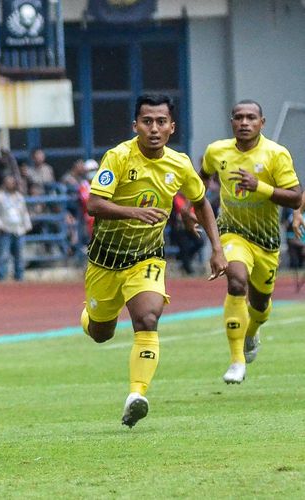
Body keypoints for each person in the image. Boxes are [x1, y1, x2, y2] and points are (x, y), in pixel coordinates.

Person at [81, 94, 227, 428]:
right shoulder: (118, 157)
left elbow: (201, 202)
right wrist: (135, 212)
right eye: (147, 121)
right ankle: (89, 318)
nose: (154, 128)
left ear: (172, 127)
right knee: (101, 333)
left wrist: (217, 250)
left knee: (147, 318)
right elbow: (94, 205)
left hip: (146, 257)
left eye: (161, 122)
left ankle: (136, 395)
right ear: (136, 126)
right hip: (105, 261)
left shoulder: (180, 164)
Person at [200, 100, 303, 384]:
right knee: (235, 281)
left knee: (260, 306)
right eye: (239, 117)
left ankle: (252, 330)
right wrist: (191, 207)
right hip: (233, 232)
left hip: (267, 241)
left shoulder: (276, 154)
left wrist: (260, 187)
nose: (244, 123)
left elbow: (295, 197)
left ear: (262, 123)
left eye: (251, 118)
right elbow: (203, 178)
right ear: (232, 121)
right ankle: (236, 361)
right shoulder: (216, 151)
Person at [0, 175, 32, 280]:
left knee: (20, 255)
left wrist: (27, 225)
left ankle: (19, 276)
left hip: (19, 229)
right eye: (8, 182)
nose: (10, 184)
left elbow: (24, 212)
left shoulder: (19, 197)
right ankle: (2, 276)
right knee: (4, 255)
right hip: (5, 229)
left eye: (12, 182)